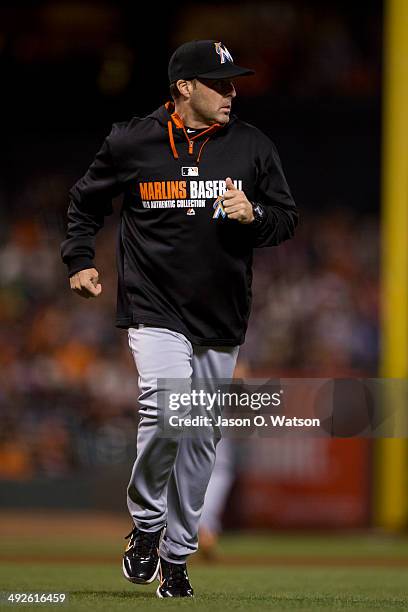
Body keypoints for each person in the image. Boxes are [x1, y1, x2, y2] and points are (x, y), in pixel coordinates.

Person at [60, 39, 298, 598]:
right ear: (184, 87)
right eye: (221, 82)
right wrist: (78, 259)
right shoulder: (132, 140)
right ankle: (146, 526)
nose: (233, 91)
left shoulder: (253, 146)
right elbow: (85, 201)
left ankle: (176, 553)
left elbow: (286, 219)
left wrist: (256, 214)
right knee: (167, 410)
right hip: (153, 305)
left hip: (220, 314)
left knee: (201, 439)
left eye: (235, 82)